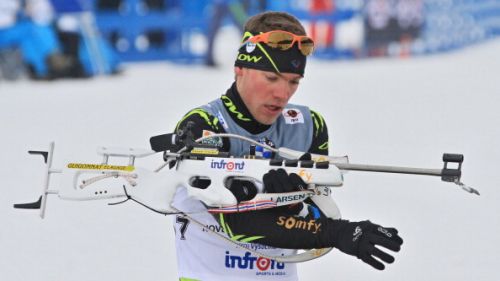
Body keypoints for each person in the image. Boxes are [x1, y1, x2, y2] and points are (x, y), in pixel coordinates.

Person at [169, 11, 403, 281]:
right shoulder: (203, 124)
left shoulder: (308, 126)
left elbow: (319, 210)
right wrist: (336, 232)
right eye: (271, 78)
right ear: (240, 69)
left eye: (293, 81)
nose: (283, 94)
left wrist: (294, 207)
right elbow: (236, 223)